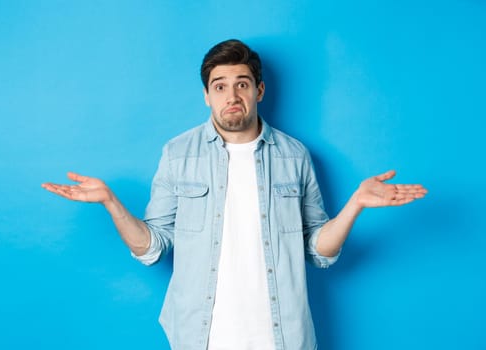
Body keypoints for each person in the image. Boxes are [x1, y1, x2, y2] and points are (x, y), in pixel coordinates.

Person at [42, 39, 427, 350]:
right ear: (206, 95)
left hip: (282, 337)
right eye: (220, 86)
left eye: (242, 83)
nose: (232, 95)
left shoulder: (294, 156)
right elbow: (153, 248)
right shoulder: (178, 153)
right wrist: (112, 203)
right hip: (200, 337)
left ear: (258, 90)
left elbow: (317, 252)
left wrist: (355, 205)